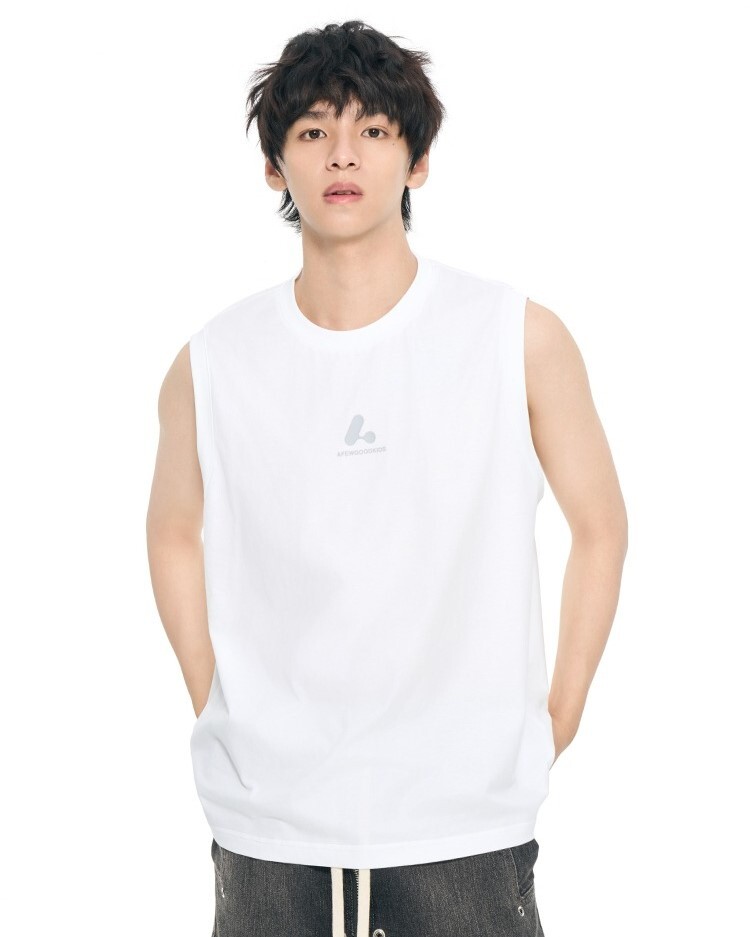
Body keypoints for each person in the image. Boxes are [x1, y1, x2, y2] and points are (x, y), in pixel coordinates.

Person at [146, 19, 628, 937]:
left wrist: (554, 719)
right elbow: (172, 528)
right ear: (274, 166)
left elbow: (601, 525)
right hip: (270, 826)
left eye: (373, 129)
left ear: (418, 160)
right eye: (313, 130)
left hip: (464, 823)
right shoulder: (213, 361)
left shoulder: (514, 335)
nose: (343, 154)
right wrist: (215, 695)